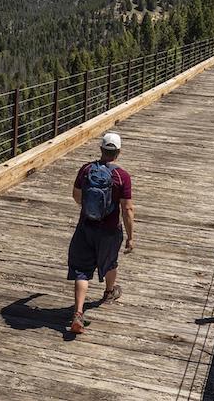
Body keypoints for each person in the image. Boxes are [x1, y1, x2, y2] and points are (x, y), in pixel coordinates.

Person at [67, 132, 135, 334]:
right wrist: (130, 237)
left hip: (86, 226)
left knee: (81, 270)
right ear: (119, 152)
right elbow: (127, 209)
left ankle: (78, 313)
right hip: (109, 230)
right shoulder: (122, 177)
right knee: (110, 261)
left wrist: (89, 209)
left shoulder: (86, 169)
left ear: (101, 149)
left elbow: (76, 195)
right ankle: (108, 292)